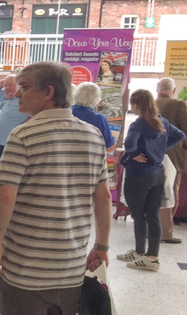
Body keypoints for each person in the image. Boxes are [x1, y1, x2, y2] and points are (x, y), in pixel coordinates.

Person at [0, 61, 111, 315]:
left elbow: (7, 195)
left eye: (24, 87)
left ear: (49, 93)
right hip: (71, 266)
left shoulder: (23, 135)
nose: (17, 92)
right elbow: (102, 196)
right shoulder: (92, 135)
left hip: (26, 268)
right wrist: (101, 246)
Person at [117, 89, 186, 271]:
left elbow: (130, 144)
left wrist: (133, 154)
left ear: (137, 105)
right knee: (153, 215)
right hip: (156, 174)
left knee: (139, 216)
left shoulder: (138, 124)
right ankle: (151, 256)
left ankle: (141, 252)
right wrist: (161, 149)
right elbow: (180, 135)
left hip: (138, 175)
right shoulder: (161, 121)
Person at [0, 72, 28, 196]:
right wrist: (4, 81)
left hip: (5, 146)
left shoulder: (24, 100)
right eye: (6, 85)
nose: (7, 87)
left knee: (3, 181)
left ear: (19, 87)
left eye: (11, 85)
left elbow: (37, 115)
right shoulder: (1, 96)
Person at [155, 77, 187, 243]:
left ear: (157, 89)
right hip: (174, 154)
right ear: (173, 91)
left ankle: (152, 226)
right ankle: (167, 230)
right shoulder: (179, 105)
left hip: (152, 153)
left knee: (153, 190)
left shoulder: (151, 103)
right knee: (171, 190)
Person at [72, 82, 116, 152]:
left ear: (75, 95)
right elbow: (109, 148)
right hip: (89, 159)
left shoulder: (65, 113)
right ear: (97, 99)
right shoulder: (99, 119)